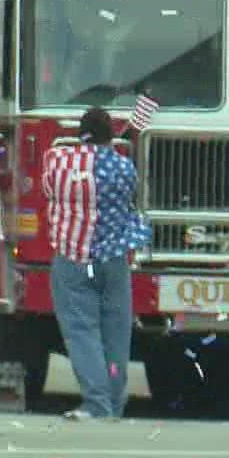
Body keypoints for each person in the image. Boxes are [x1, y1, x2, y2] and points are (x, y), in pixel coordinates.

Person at [40, 106, 149, 420]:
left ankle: (96, 403)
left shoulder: (58, 161)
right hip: (113, 262)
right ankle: (114, 404)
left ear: (79, 133)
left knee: (82, 332)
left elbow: (48, 190)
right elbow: (130, 195)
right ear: (110, 135)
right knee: (116, 334)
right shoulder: (124, 168)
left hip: (73, 260)